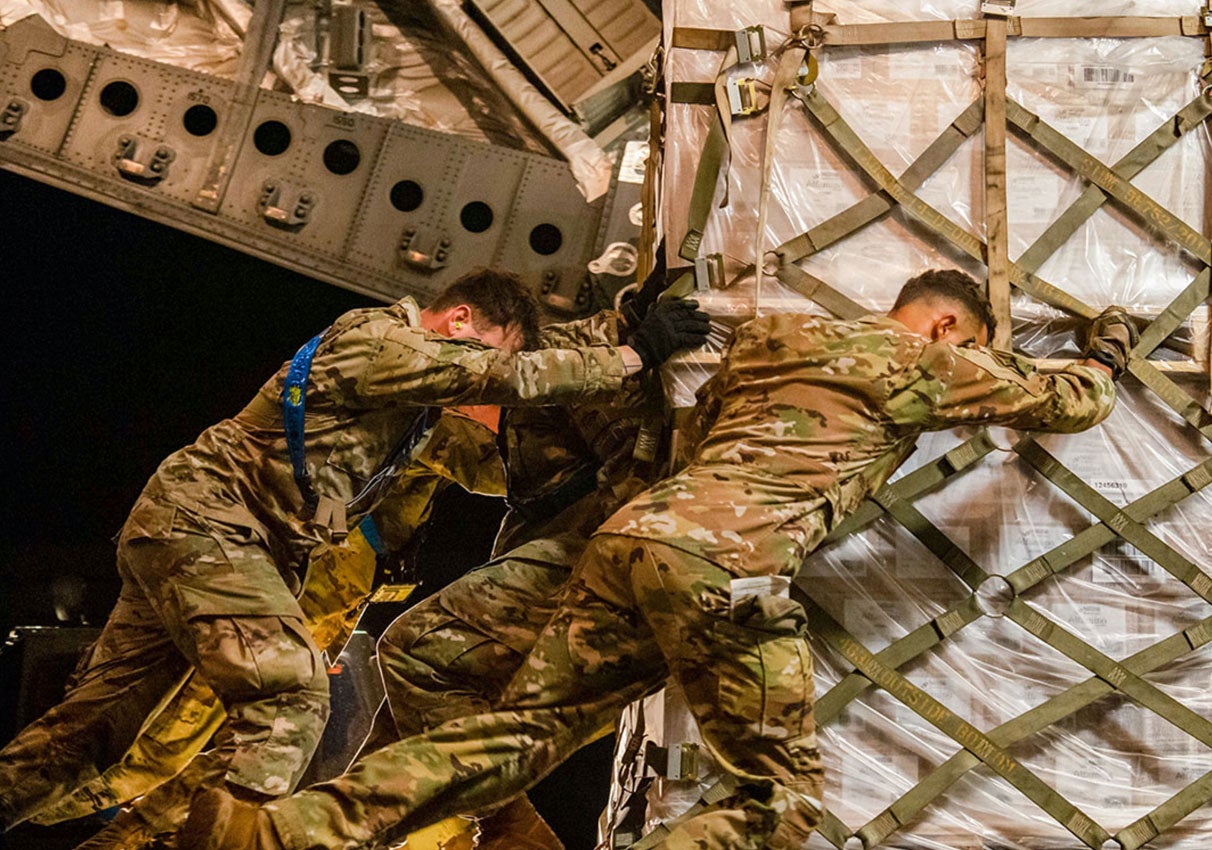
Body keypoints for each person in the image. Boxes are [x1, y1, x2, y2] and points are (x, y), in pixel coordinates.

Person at [177, 269, 1131, 850]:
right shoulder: (919, 358)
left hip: (632, 541)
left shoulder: (774, 339)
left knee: (523, 732)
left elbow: (693, 432)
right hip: (734, 570)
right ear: (946, 326)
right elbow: (1072, 404)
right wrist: (1111, 349)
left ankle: (288, 828)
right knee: (780, 799)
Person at [0, 267, 711, 846]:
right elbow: (509, 381)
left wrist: (618, 327)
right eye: (490, 349)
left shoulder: (412, 410)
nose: (486, 372)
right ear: (459, 322)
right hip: (211, 526)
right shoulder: (376, 341)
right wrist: (631, 356)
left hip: (204, 532)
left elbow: (505, 463)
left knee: (95, 733)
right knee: (291, 695)